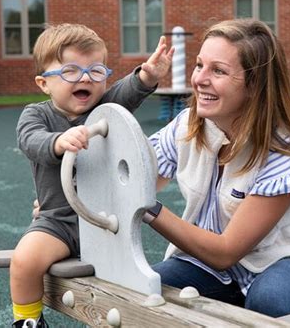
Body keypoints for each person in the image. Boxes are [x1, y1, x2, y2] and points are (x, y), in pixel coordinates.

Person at [143, 19, 290, 318]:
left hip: (287, 263)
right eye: (199, 65)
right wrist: (66, 203)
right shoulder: (187, 127)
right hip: (212, 268)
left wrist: (147, 207)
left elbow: (225, 251)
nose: (200, 79)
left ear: (254, 85)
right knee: (149, 289)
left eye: (218, 71)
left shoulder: (285, 155)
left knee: (272, 299)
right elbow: (130, 172)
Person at [11, 23, 173, 327]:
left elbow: (127, 93)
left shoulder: (104, 109)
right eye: (70, 71)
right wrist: (57, 142)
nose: (85, 78)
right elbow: (30, 140)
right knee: (24, 260)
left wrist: (147, 76)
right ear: (44, 83)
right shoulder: (37, 115)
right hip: (60, 222)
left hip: (104, 221)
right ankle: (27, 320)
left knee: (125, 273)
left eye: (96, 71)